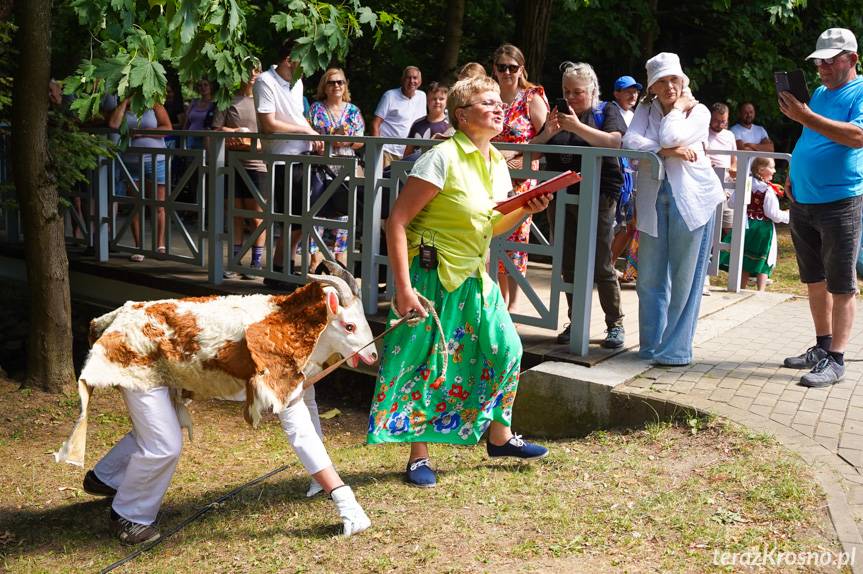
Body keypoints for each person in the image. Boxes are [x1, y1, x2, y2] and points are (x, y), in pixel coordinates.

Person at [367, 75, 550, 488]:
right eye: (488, 102)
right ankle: (418, 456)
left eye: (498, 102)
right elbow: (396, 221)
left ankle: (500, 436)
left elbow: (492, 223)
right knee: (426, 363)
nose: (499, 107)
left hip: (473, 276)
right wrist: (402, 287)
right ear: (463, 115)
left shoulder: (497, 162)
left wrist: (527, 209)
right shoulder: (441, 158)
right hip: (430, 277)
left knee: (508, 349)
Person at [622, 52, 725, 366]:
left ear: (683, 81)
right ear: (652, 86)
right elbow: (629, 142)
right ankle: (651, 347)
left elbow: (670, 133)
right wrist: (666, 152)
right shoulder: (646, 109)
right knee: (649, 278)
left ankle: (676, 351)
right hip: (654, 198)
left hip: (692, 199)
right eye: (662, 81)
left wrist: (678, 112)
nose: (670, 86)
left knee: (684, 279)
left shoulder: (699, 111)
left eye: (674, 79)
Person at [778, 28, 863, 387]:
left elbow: (857, 136)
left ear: (852, 59)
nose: (823, 67)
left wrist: (804, 117)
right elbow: (811, 136)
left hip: (840, 201)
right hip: (804, 199)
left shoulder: (859, 92)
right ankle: (822, 347)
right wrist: (794, 172)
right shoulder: (818, 93)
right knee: (814, 279)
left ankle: (837, 360)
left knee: (841, 284)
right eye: (818, 62)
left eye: (830, 60)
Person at [533, 61, 627, 348]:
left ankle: (615, 323)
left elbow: (614, 142)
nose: (571, 98)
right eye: (566, 92)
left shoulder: (606, 111)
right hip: (561, 194)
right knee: (567, 262)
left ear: (592, 90)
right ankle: (577, 321)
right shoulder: (558, 116)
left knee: (600, 261)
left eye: (577, 92)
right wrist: (548, 132)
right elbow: (535, 148)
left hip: (599, 193)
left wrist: (576, 126)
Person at [254, 39, 323, 284]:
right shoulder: (265, 81)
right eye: (303, 60)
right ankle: (278, 271)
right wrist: (305, 132)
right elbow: (269, 124)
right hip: (283, 160)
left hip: (303, 157)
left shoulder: (298, 82)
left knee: (301, 218)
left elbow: (297, 116)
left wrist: (312, 133)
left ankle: (282, 266)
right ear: (288, 60)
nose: (307, 66)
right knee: (289, 218)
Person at [491, 44, 550, 311]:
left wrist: (518, 151)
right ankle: (499, 299)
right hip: (491, 173)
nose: (506, 72)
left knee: (515, 237)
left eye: (512, 67)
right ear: (494, 68)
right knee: (493, 234)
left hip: (521, 175)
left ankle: (513, 304)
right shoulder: (490, 96)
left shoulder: (531, 97)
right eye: (501, 67)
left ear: (521, 69)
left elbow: (548, 134)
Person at [212, 59, 267, 279]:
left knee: (256, 217)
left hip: (259, 164)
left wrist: (252, 141)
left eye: (256, 70)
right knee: (234, 214)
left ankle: (255, 263)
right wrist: (232, 132)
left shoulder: (265, 99)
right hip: (233, 164)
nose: (252, 74)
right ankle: (234, 262)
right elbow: (215, 129)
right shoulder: (227, 98)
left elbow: (271, 131)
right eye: (248, 70)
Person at [306, 67, 365, 269]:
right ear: (325, 85)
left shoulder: (353, 110)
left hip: (346, 166)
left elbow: (361, 141)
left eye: (340, 82)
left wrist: (346, 141)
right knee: (317, 212)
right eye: (331, 82)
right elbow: (308, 136)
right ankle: (315, 261)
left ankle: (341, 262)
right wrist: (327, 141)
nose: (336, 86)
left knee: (344, 213)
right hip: (321, 166)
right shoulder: (315, 109)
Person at [106, 97, 172, 261]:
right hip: (131, 161)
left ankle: (160, 246)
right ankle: (138, 246)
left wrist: (144, 133)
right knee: (136, 204)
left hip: (156, 160)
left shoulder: (154, 104)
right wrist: (124, 103)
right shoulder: (121, 108)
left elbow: (167, 128)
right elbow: (113, 125)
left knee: (158, 204)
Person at [719, 157, 788, 290]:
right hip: (762, 228)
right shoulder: (767, 190)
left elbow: (732, 203)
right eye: (772, 167)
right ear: (761, 170)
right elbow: (772, 214)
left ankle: (741, 287)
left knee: (744, 258)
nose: (774, 171)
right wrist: (787, 215)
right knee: (765, 260)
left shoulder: (745, 184)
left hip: (744, 225)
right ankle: (760, 291)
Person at [370, 66, 427, 166]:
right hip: (388, 152)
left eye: (415, 78)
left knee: (406, 182)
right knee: (382, 181)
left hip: (411, 154)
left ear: (420, 81)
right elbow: (375, 123)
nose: (411, 81)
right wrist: (377, 150)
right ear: (402, 80)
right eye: (408, 78)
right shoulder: (390, 96)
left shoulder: (422, 96)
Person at [706, 102, 739, 235]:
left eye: (723, 122)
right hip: (708, 185)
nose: (720, 125)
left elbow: (734, 159)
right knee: (709, 225)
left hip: (726, 186)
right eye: (716, 121)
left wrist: (733, 168)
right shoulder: (702, 133)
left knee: (728, 226)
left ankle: (724, 256)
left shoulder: (729, 135)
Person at [402, 82, 452, 158]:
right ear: (427, 101)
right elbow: (407, 154)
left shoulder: (450, 126)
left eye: (441, 99)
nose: (437, 102)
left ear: (447, 102)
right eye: (434, 99)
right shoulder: (417, 124)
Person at [183, 78, 216, 149]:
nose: (203, 87)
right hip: (190, 137)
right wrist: (182, 137)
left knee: (203, 159)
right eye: (200, 85)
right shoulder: (194, 102)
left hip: (205, 139)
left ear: (211, 87)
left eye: (205, 85)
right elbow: (187, 123)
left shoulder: (214, 104)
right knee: (189, 159)